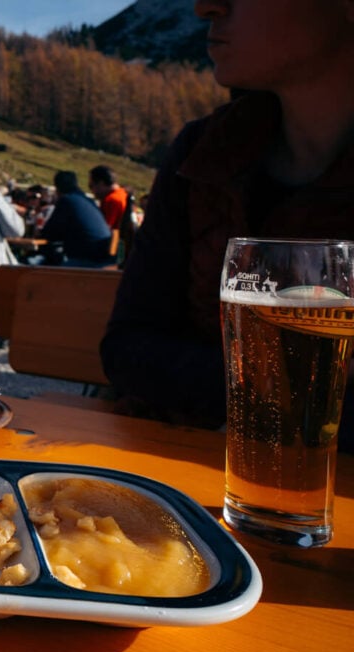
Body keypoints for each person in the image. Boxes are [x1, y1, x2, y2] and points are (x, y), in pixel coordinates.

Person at [100, 0, 354, 441]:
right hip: (180, 470)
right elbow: (126, 348)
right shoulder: (202, 154)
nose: (205, 7)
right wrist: (300, 384)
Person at [38, 170, 112, 267]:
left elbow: (49, 233)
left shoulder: (66, 200)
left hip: (87, 261)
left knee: (46, 272)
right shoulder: (89, 200)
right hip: (104, 257)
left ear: (58, 188)